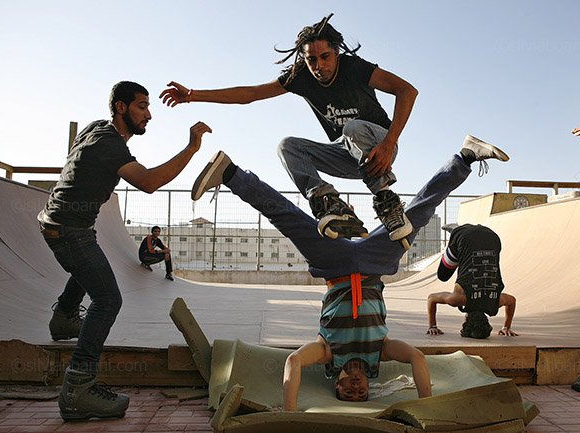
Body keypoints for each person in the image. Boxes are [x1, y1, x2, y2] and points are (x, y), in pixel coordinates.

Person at [190, 134, 509, 410]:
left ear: (336, 385)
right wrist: (427, 406)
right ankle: (466, 156)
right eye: (362, 392)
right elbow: (417, 359)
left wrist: (288, 410)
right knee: (420, 210)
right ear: (370, 386)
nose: (357, 386)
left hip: (334, 263)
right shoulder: (380, 353)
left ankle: (230, 173)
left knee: (288, 217)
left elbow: (293, 362)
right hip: (375, 263)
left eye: (348, 392)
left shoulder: (326, 352)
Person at [160, 14, 420, 244]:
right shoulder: (300, 77)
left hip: (380, 146)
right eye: (311, 60)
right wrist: (192, 95)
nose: (318, 67)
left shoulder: (355, 68)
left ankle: (388, 203)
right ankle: (329, 203)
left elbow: (407, 90)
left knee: (352, 128)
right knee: (288, 146)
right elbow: (250, 93)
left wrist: (389, 143)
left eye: (325, 57)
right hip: (347, 155)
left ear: (337, 52)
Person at [38, 81, 210, 421]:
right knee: (108, 299)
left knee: (93, 268)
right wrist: (191, 148)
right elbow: (148, 182)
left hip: (61, 222)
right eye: (142, 107)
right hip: (69, 231)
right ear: (121, 107)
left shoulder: (95, 131)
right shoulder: (110, 143)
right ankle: (78, 388)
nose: (148, 115)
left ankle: (64, 317)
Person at [426, 224, 518, 339]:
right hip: (463, 237)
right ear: (465, 319)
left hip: (492, 238)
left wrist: (506, 327)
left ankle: (464, 238)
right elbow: (431, 298)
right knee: (443, 275)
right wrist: (432, 326)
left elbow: (512, 301)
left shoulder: (495, 302)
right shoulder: (458, 299)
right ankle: (455, 230)